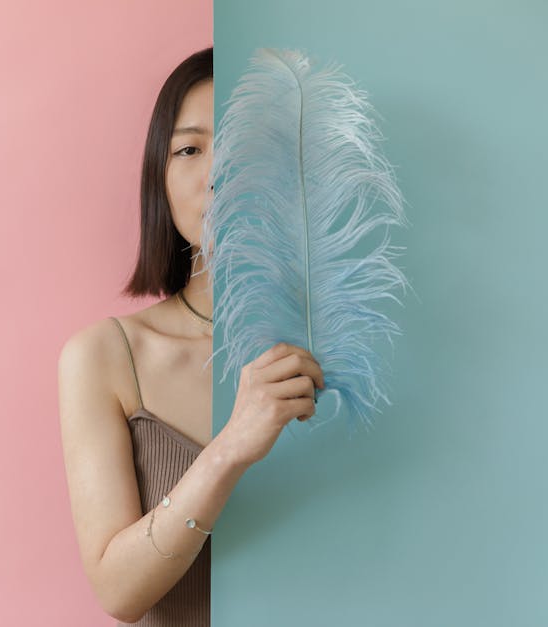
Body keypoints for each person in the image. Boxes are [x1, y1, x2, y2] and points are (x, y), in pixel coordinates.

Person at [58, 46, 325, 626]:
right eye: (189, 149)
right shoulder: (105, 356)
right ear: (161, 178)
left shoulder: (337, 347)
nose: (216, 173)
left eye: (241, 146)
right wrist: (231, 446)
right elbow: (118, 592)